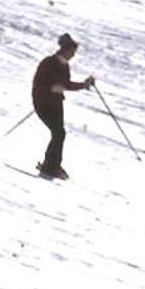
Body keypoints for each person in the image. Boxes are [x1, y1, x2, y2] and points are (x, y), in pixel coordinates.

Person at [31, 33, 95, 179]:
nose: (72, 55)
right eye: (71, 52)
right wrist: (50, 89)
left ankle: (52, 165)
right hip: (44, 103)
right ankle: (50, 166)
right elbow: (39, 83)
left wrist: (84, 85)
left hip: (56, 104)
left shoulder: (64, 65)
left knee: (59, 134)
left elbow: (65, 84)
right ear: (64, 50)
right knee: (59, 133)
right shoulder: (49, 63)